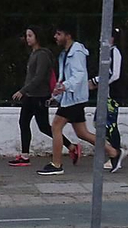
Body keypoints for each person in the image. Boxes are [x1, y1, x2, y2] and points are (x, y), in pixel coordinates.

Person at [39, 25, 119, 175]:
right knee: (82, 133)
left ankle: (56, 164)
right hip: (72, 97)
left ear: (68, 35)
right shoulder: (66, 53)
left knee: (56, 127)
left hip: (74, 98)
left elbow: (79, 75)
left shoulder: (76, 52)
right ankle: (113, 152)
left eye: (59, 33)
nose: (55, 37)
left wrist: (65, 86)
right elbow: (66, 77)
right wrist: (57, 93)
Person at [7, 27, 56, 167]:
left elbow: (39, 77)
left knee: (44, 127)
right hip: (30, 96)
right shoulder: (34, 53)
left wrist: (23, 90)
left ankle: (70, 146)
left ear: (37, 37)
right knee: (23, 122)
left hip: (39, 96)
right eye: (27, 35)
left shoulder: (42, 55)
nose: (27, 38)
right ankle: (24, 155)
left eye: (30, 35)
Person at [90, 27, 125, 172]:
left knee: (109, 125)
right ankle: (114, 152)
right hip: (106, 95)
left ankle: (115, 154)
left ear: (112, 38)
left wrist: (95, 81)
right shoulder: (107, 53)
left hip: (112, 96)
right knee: (99, 122)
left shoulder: (114, 52)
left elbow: (113, 74)